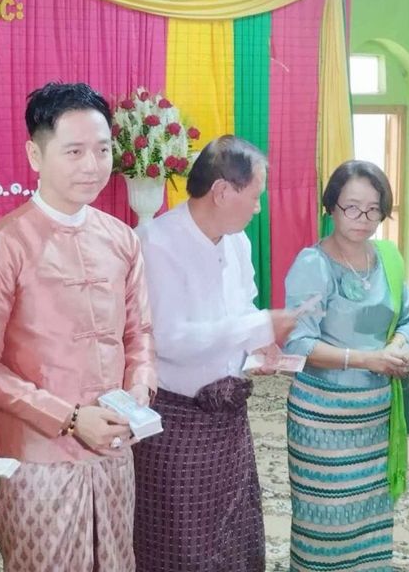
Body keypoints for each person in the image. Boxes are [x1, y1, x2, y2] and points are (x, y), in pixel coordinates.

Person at [0, 82, 156, 572]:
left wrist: (138, 394)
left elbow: (140, 334)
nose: (93, 165)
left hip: (114, 449)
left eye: (103, 150)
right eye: (74, 151)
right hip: (39, 459)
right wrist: (67, 418)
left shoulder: (121, 238)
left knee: (116, 561)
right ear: (35, 155)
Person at [133, 135, 296, 572]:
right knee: (178, 544)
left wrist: (260, 341)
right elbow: (169, 339)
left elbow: (242, 304)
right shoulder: (154, 242)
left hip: (228, 414)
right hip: (176, 421)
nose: (258, 208)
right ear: (222, 191)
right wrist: (256, 326)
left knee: (234, 536)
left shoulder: (237, 242)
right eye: (255, 197)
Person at [282, 160, 409, 572]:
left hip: (376, 416)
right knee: (326, 524)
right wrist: (366, 359)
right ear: (331, 206)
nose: (363, 219)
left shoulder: (388, 258)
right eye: (352, 207)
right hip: (322, 418)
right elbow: (298, 342)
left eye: (374, 209)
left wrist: (395, 347)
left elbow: (408, 320)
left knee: (370, 520)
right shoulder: (313, 264)